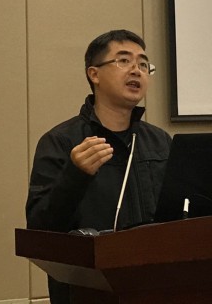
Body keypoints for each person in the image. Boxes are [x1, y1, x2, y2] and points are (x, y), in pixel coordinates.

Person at [26, 29, 172, 304]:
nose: (136, 70)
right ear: (94, 74)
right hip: (86, 291)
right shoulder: (61, 141)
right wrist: (75, 174)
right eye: (124, 60)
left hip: (155, 286)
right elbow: (40, 229)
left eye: (143, 64)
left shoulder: (159, 141)